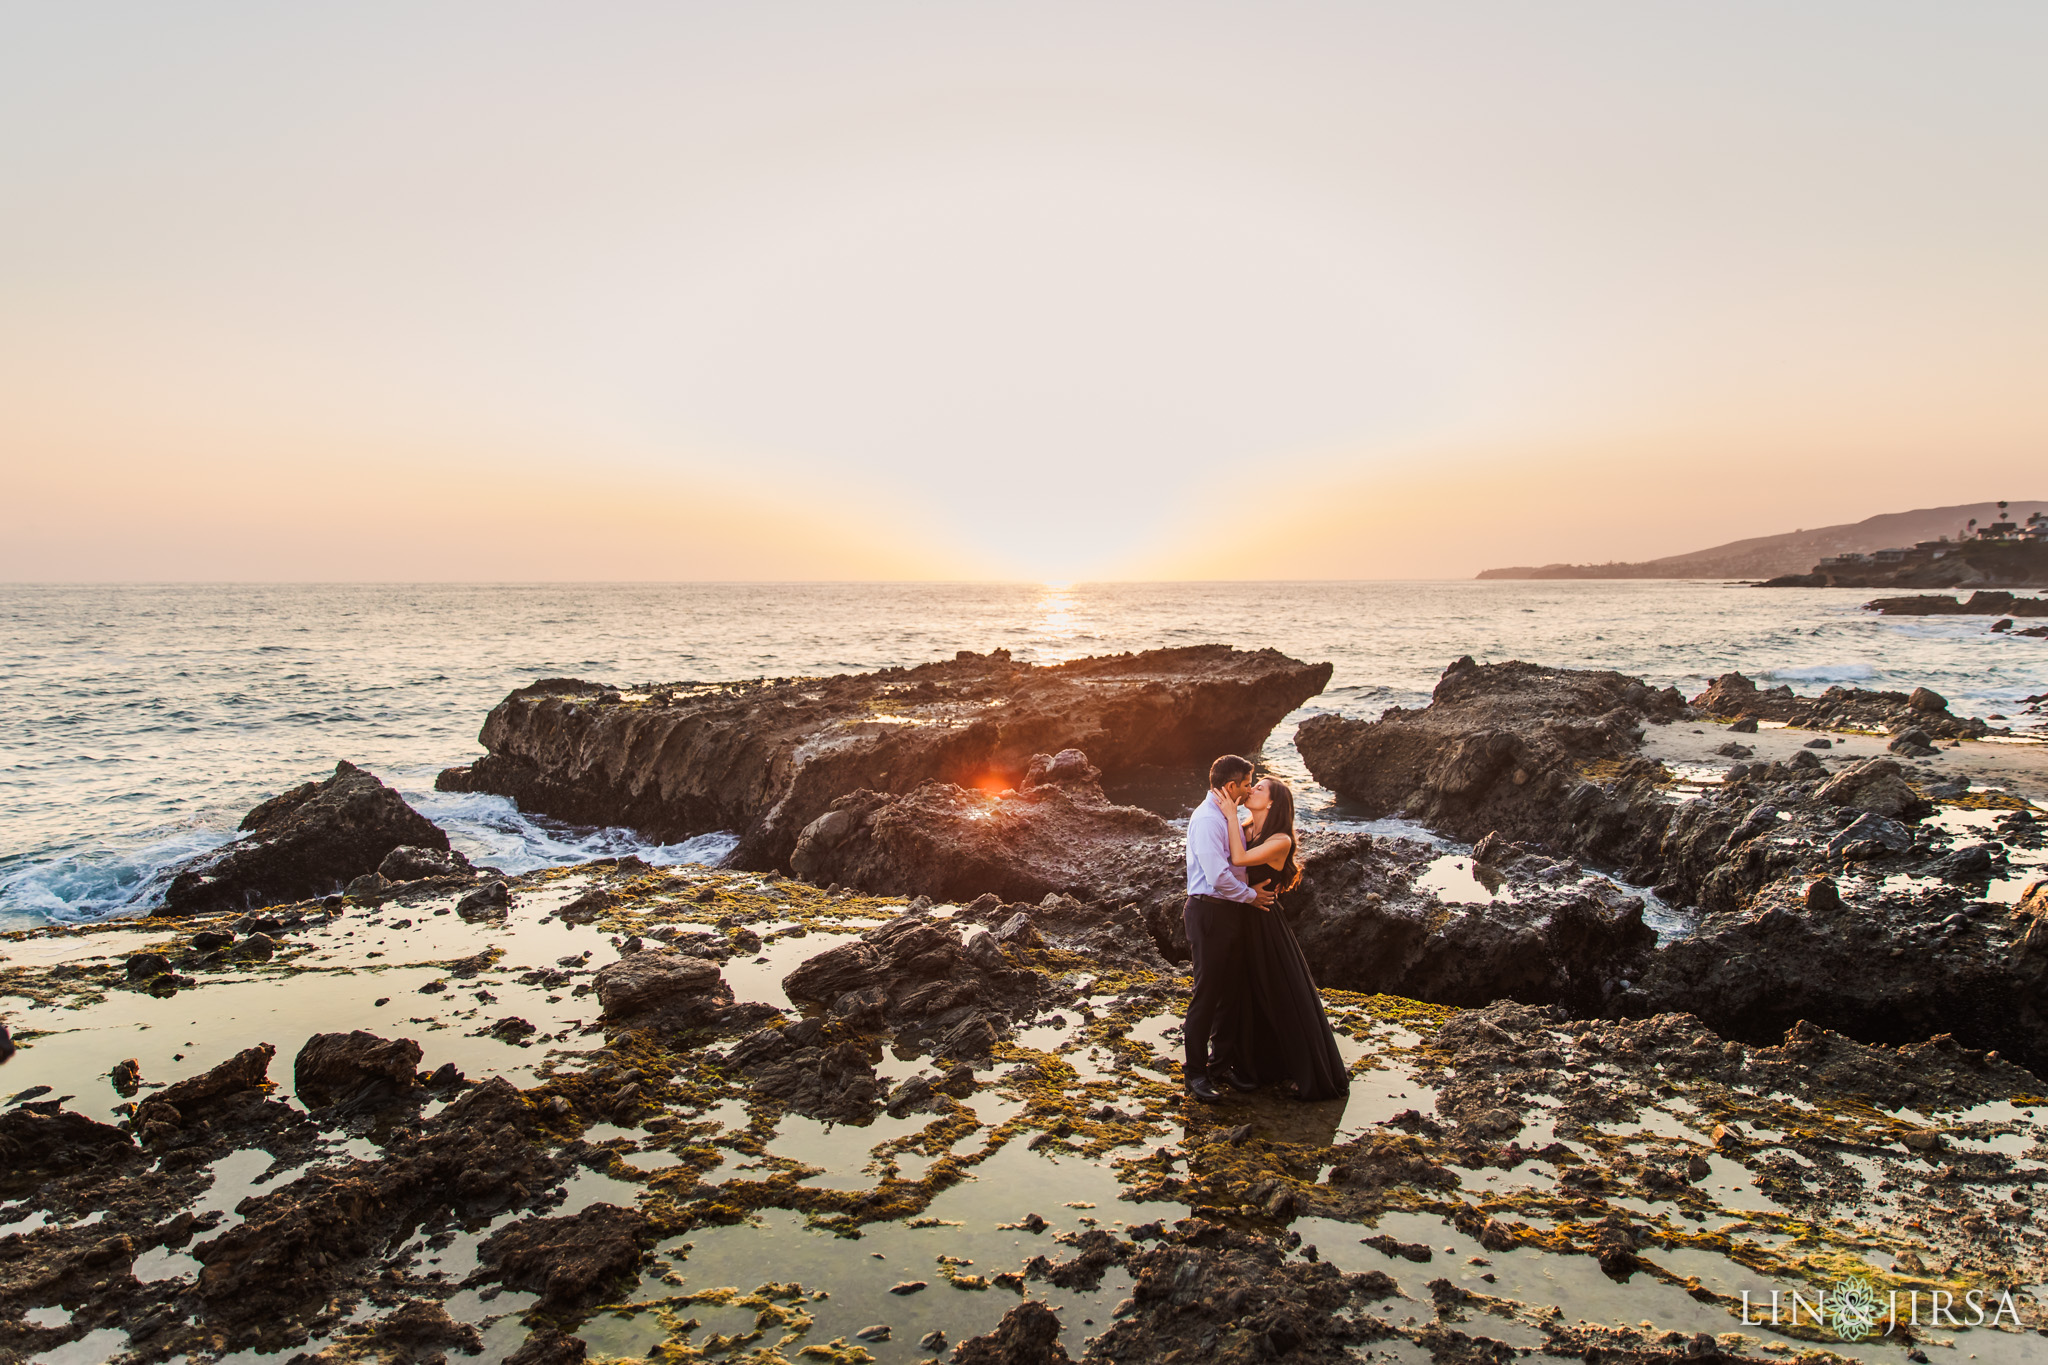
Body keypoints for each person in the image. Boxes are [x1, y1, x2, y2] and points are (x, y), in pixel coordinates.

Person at [1216, 775, 1350, 1101]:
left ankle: (1305, 1070)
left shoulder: (1281, 840)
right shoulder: (1246, 829)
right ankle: (1252, 1067)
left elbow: (1239, 859)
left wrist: (1231, 815)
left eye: (1259, 788)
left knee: (1282, 996)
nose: (1251, 790)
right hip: (1237, 917)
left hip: (1263, 924)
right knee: (1242, 996)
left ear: (1273, 802)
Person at [1180, 754, 1276, 1103]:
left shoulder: (1228, 814)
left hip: (1230, 912)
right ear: (1231, 786)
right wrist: (1250, 897)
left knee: (1231, 993)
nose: (1251, 788)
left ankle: (1220, 1065)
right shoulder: (1207, 819)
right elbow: (1218, 875)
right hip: (1209, 912)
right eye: (1248, 783)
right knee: (1207, 995)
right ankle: (1195, 1074)